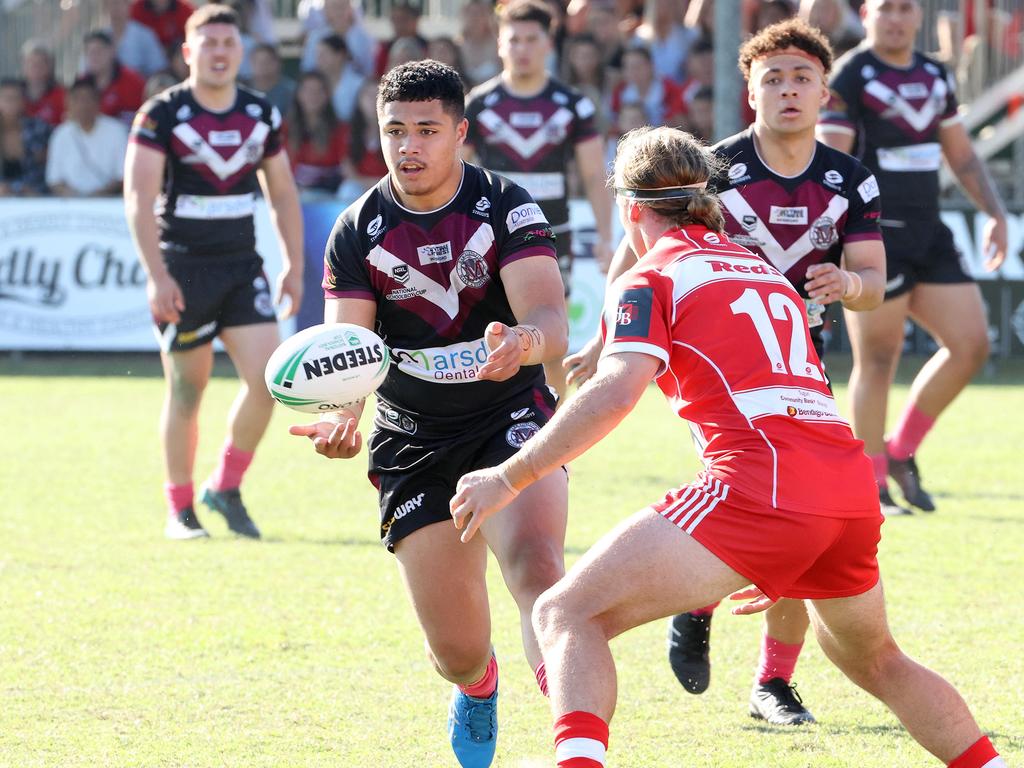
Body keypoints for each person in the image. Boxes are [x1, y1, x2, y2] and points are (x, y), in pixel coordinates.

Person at [450, 125, 1008, 768]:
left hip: (763, 491)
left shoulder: (653, 277)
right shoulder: (763, 271)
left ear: (631, 210)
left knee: (563, 613)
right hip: (843, 489)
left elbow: (614, 393)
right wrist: (786, 542)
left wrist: (508, 477)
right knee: (877, 660)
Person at [289, 59, 569, 768]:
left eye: (426, 130)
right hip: (413, 440)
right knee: (456, 651)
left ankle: (576, 741)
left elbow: (549, 316)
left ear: (461, 134)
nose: (408, 146)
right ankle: (479, 690)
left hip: (511, 415)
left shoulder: (506, 206)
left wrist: (525, 344)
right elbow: (347, 350)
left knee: (536, 570)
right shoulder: (357, 230)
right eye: (394, 131)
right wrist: (340, 415)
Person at [663, 18, 887, 727]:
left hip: (803, 368)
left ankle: (771, 683)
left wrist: (846, 285)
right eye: (773, 79)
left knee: (802, 515)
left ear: (826, 92)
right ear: (749, 94)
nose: (788, 90)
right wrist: (612, 330)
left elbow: (877, 282)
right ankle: (696, 604)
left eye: (802, 79)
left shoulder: (848, 179)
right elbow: (653, 249)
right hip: (721, 369)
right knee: (745, 497)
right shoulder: (713, 169)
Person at [818, 0, 1008, 516]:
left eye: (906, 8)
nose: (897, 18)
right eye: (886, 8)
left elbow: (961, 154)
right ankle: (870, 482)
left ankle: (900, 452)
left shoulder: (933, 73)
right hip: (874, 234)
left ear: (917, 17)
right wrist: (840, 231)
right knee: (878, 358)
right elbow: (830, 159)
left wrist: (994, 213)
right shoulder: (852, 73)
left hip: (930, 231)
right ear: (867, 13)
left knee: (970, 345)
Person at [124, 4, 304, 540]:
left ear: (241, 51)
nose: (220, 53)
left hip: (240, 265)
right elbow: (138, 198)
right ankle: (179, 508)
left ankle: (224, 485)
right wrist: (157, 275)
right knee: (187, 391)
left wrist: (293, 264)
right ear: (188, 53)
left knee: (272, 381)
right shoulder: (160, 115)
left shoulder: (261, 113)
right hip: (182, 269)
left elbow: (284, 193)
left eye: (229, 43)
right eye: (209, 44)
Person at [464, 0, 613, 403]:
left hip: (552, 233)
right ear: (499, 44)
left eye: (532, 39)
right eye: (514, 39)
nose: (523, 48)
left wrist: (604, 235)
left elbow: (595, 176)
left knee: (549, 335)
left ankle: (552, 430)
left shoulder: (572, 105)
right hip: (489, 235)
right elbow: (460, 176)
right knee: (486, 330)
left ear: (549, 44)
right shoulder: (478, 105)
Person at [46, 78, 129, 197]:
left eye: (88, 99)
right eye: (77, 99)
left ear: (98, 102)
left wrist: (98, 195)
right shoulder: (60, 134)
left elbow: (123, 176)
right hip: (69, 204)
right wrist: (73, 197)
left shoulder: (117, 131)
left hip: (108, 202)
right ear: (68, 103)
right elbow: (54, 180)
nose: (82, 105)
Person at [284, 71, 349, 197]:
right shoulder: (284, 127)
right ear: (298, 94)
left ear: (327, 96)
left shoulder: (340, 129)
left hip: (327, 192)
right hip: (293, 190)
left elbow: (344, 167)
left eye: (319, 91)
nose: (313, 96)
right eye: (307, 91)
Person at [80, 30, 146, 125]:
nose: (94, 57)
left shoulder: (133, 81)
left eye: (98, 51)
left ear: (111, 51)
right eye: (89, 52)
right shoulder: (82, 84)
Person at [0, 78, 51, 197]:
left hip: (36, 197)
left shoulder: (39, 129)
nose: (11, 103)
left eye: (16, 98)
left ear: (22, 102)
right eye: (7, 98)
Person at [102, 0, 169, 78]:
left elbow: (159, 69)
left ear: (129, 6)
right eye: (111, 4)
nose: (115, 9)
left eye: (118, 4)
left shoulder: (145, 35)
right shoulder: (100, 38)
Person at [21, 41, 65, 127]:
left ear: (50, 66)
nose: (36, 67)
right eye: (31, 62)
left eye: (41, 63)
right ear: (24, 66)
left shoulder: (61, 95)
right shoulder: (14, 94)